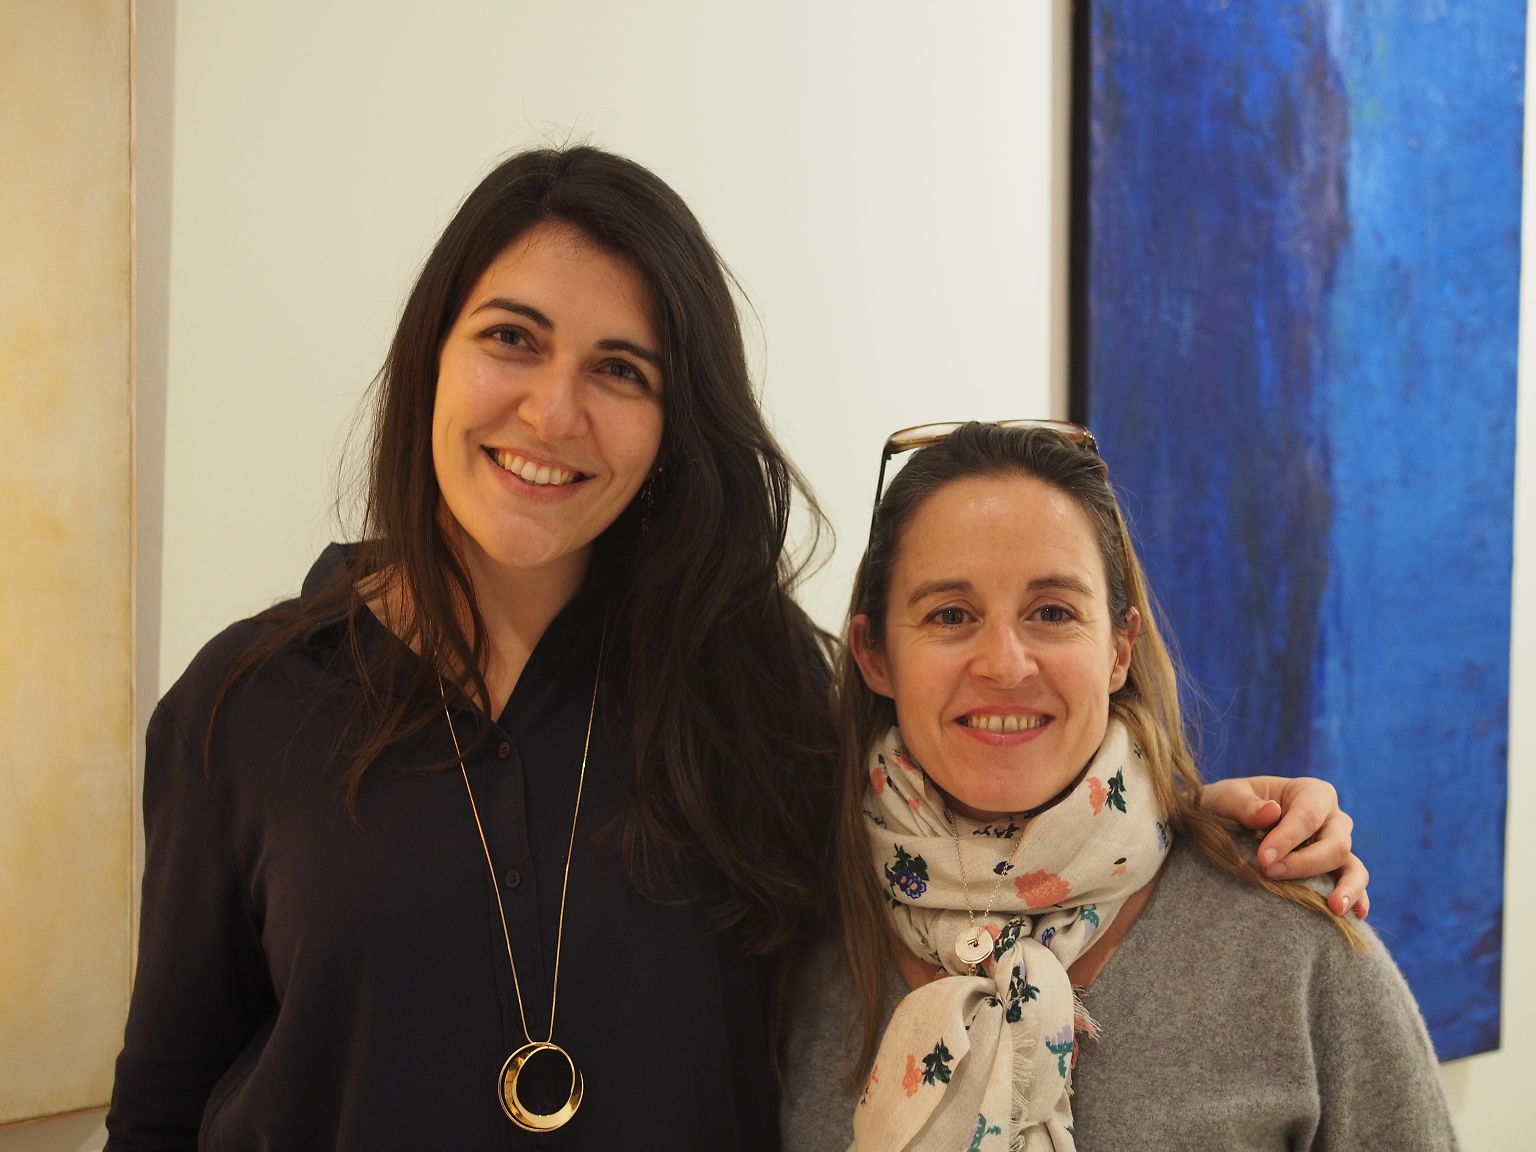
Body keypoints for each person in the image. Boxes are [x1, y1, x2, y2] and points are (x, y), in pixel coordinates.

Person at [106, 152, 1370, 1151]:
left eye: (621, 370)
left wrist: (1199, 829)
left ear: (674, 422)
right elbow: (163, 1106)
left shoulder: (755, 687)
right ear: (432, 353)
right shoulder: (243, 705)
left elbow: (970, 826)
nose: (554, 411)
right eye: (511, 338)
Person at [780, 421, 1454, 1151]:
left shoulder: (1295, 944)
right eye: (951, 615)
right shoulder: (796, 932)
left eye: (1052, 613)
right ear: (875, 655)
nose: (1005, 664)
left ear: (1118, 649)